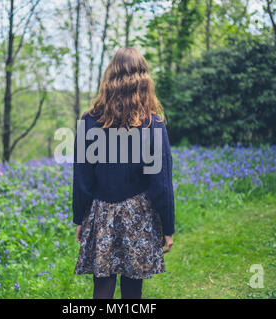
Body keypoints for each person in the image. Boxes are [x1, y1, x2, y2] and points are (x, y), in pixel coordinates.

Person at [72, 47, 175, 299]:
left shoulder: (89, 120)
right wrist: (168, 226)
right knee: (132, 286)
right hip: (138, 214)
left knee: (102, 283)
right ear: (144, 80)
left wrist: (80, 217)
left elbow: (82, 177)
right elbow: (160, 182)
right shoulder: (153, 124)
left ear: (110, 77)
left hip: (101, 211)